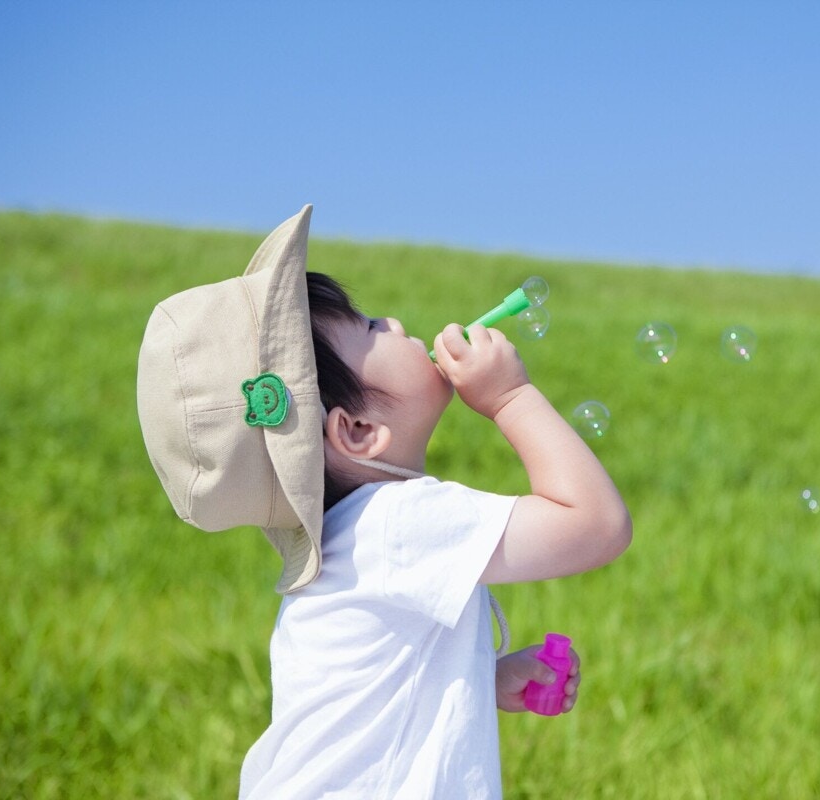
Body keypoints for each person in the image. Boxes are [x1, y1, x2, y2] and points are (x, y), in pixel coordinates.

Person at [137, 205, 631, 798]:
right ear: (357, 433)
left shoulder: (349, 548)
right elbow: (598, 525)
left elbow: (367, 704)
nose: (394, 322)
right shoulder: (399, 524)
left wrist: (480, 679)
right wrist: (511, 397)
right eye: (371, 327)